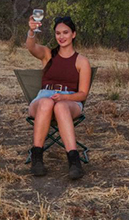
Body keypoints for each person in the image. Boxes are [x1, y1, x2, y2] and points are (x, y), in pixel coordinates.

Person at [25, 15, 92, 179]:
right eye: (58, 33)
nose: (61, 37)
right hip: (44, 97)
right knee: (47, 103)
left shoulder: (82, 61)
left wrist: (64, 98)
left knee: (60, 106)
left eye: (65, 32)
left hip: (70, 100)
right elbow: (31, 47)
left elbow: (83, 94)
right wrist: (31, 31)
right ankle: (37, 158)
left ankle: (74, 160)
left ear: (73, 34)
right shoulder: (48, 54)